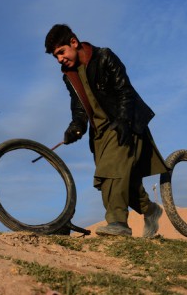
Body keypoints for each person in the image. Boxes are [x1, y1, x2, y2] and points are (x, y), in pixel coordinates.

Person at [44, 24, 168, 237]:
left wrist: (122, 121)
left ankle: (118, 223)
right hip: (99, 134)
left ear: (73, 42)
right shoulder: (69, 76)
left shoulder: (104, 57)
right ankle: (150, 209)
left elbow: (124, 90)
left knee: (110, 173)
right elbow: (79, 108)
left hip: (123, 123)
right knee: (116, 180)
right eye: (56, 57)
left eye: (61, 52)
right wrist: (75, 128)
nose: (60, 60)